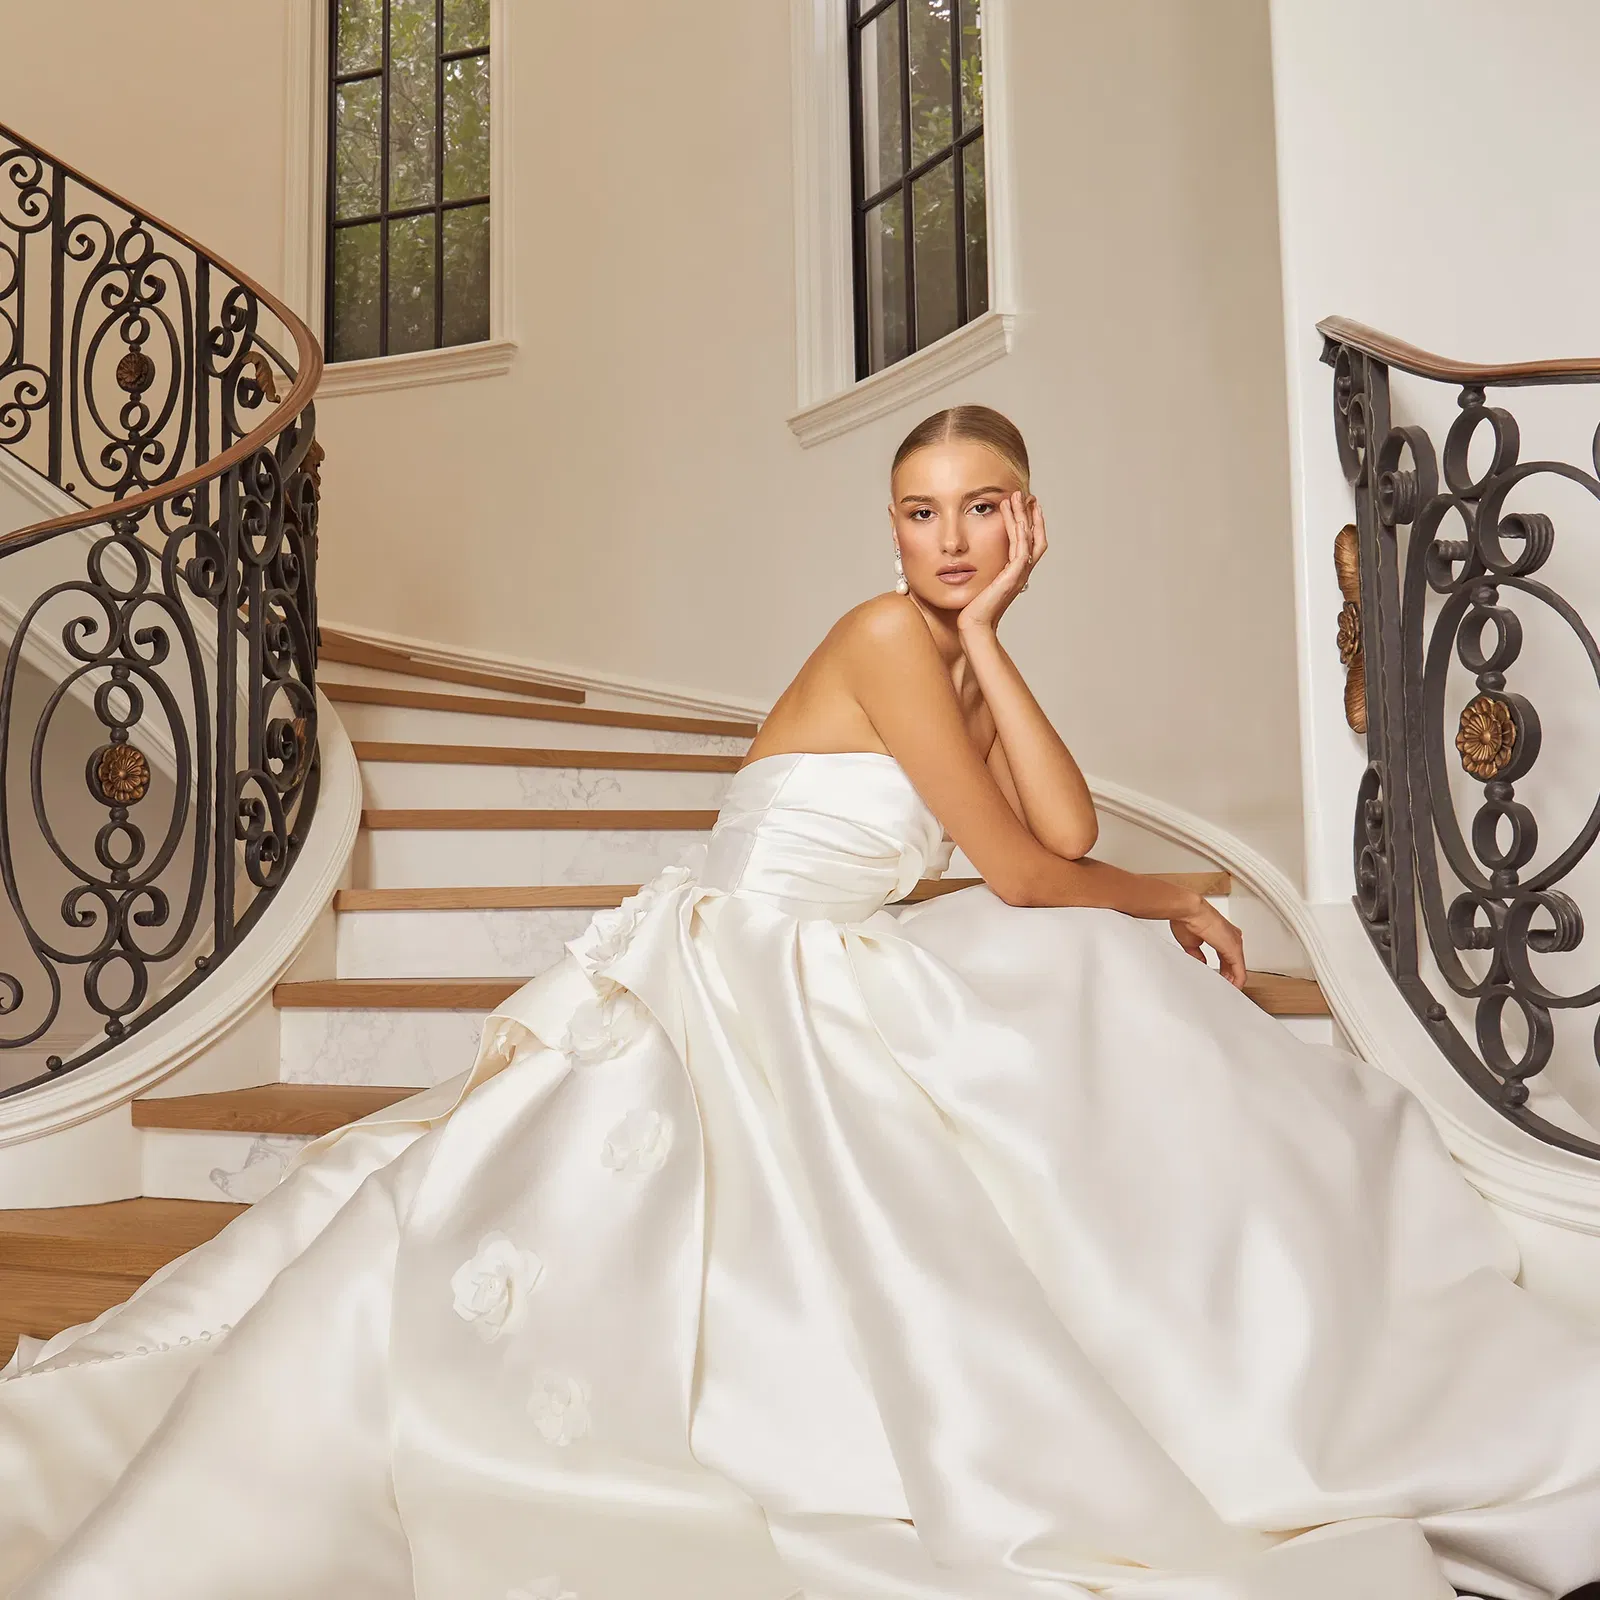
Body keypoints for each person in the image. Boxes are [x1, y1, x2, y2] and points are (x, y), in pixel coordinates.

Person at [3, 406, 1600, 1600]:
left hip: (831, 945)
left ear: (1027, 521)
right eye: (922, 517)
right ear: (888, 531)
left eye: (982, 513)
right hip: (752, 958)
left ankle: (1251, 1322)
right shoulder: (880, 635)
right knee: (1085, 954)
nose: (950, 541)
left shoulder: (949, 641)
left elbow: (1052, 832)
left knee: (1085, 971)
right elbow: (1044, 877)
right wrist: (1175, 893)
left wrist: (998, 641)